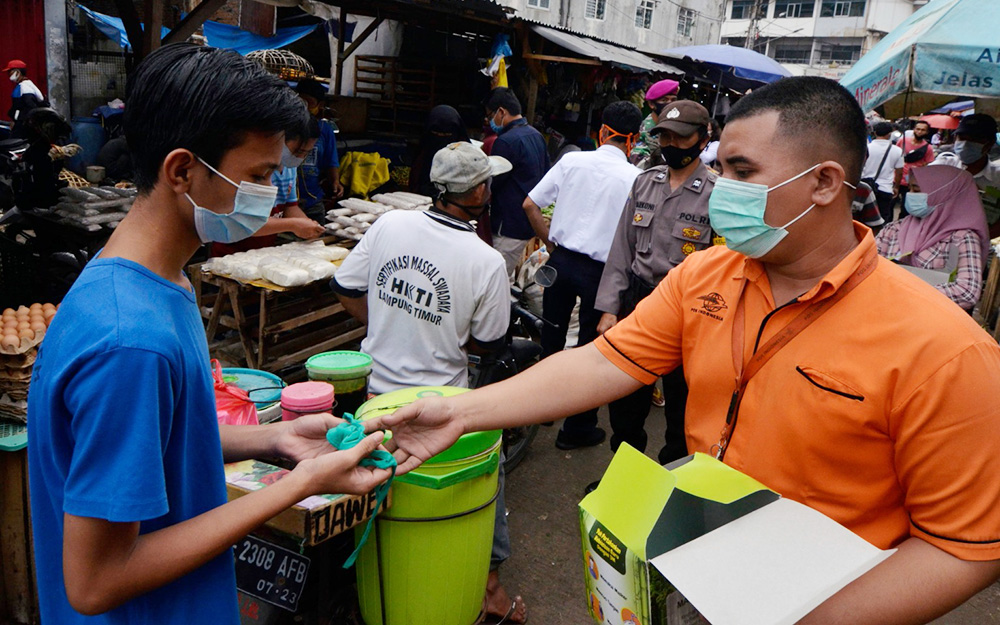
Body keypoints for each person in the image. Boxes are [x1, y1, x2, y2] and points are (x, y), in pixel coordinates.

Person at [371, 77, 1000, 625]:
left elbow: (965, 547)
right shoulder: (705, 276)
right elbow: (601, 361)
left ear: (825, 183)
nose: (721, 188)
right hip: (701, 562)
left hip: (832, 602)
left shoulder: (946, 351)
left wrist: (803, 620)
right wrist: (460, 411)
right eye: (722, 168)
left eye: (743, 172)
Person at [27, 43, 391, 625]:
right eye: (258, 176)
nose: (268, 196)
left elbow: (159, 442)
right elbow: (94, 583)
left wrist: (277, 439)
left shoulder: (156, 283)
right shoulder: (130, 343)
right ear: (182, 170)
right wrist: (297, 487)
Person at [330, 141, 526, 625]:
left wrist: (389, 321)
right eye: (488, 182)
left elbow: (345, 288)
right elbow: (488, 343)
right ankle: (490, 592)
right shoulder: (485, 261)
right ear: (479, 192)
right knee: (485, 479)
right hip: (438, 411)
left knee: (372, 498)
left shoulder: (390, 224)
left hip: (372, 398)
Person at [595, 101, 718, 465]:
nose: (671, 144)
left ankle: (669, 481)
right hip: (639, 300)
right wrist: (608, 308)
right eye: (664, 135)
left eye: (680, 137)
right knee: (626, 399)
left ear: (703, 139)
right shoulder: (645, 183)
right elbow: (622, 248)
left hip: (689, 310)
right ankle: (623, 474)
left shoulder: (717, 193)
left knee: (681, 407)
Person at [522, 101, 642, 450]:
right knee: (590, 349)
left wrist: (549, 241)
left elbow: (530, 204)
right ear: (632, 140)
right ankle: (575, 429)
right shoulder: (636, 179)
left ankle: (540, 408)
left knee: (552, 335)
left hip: (560, 262)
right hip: (602, 272)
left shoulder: (573, 161)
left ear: (602, 132)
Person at [876, 165, 988, 312]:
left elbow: (967, 292)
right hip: (886, 313)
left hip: (929, 323)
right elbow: (868, 267)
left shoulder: (962, 238)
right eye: (909, 189)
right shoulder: (894, 229)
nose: (910, 195)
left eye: (917, 190)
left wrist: (908, 292)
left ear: (944, 194)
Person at [210, 128, 325, 256]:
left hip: (264, 250)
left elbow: (290, 206)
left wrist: (308, 226)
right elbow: (245, 221)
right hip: (230, 251)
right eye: (297, 151)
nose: (300, 158)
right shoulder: (252, 169)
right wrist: (294, 224)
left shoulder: (290, 169)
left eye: (306, 153)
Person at [485, 87, 549, 277]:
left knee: (493, 280)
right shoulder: (536, 136)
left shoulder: (505, 142)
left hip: (508, 226)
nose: (489, 121)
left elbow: (493, 183)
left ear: (501, 112)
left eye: (490, 115)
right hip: (525, 224)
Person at [934, 113, 1000, 238]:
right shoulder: (942, 165)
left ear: (990, 143)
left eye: (975, 139)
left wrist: (979, 239)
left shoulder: (997, 178)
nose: (966, 143)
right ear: (955, 139)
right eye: (962, 137)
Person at [294, 79, 342, 210]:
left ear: (320, 104)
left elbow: (331, 161)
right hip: (285, 199)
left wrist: (335, 182)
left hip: (312, 198)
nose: (305, 107)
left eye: (309, 103)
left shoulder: (324, 129)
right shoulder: (286, 125)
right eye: (300, 101)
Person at [411, 105, 470, 197]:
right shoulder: (422, 157)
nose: (441, 137)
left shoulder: (468, 159)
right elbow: (415, 184)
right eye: (436, 133)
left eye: (447, 134)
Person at [629, 79, 680, 169]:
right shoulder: (645, 132)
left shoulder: (674, 128)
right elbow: (638, 166)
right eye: (664, 100)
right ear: (652, 104)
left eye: (673, 100)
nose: (670, 104)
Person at [862, 122, 903, 223]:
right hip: (885, 189)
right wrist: (896, 187)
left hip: (866, 188)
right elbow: (899, 172)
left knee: (863, 218)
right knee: (882, 218)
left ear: (875, 133)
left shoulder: (866, 148)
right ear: (889, 134)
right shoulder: (898, 151)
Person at [898, 119, 935, 218]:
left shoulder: (928, 148)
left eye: (922, 130)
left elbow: (928, 165)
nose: (919, 131)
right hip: (897, 178)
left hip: (913, 183)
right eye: (918, 129)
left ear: (927, 132)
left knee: (906, 209)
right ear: (914, 129)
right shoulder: (903, 141)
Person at [5, 59, 47, 137]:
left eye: (10, 71)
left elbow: (28, 107)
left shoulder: (24, 87)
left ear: (17, 72)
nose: (8, 74)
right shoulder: (26, 84)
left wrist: (16, 121)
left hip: (24, 127)